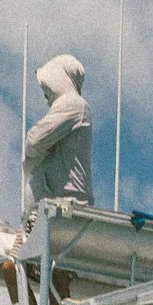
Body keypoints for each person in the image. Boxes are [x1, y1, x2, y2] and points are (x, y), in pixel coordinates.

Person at [24, 55, 96, 209]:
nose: (45, 95)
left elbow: (33, 141)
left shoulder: (74, 105)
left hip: (65, 205)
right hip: (52, 205)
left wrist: (37, 153)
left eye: (46, 87)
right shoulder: (70, 107)